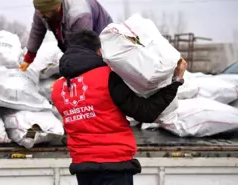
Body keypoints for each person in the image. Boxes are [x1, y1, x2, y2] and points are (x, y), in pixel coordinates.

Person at [51, 30, 187, 185]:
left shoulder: (58, 88)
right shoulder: (107, 77)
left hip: (83, 168)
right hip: (115, 166)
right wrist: (175, 81)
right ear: (99, 51)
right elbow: (145, 112)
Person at [19, 0, 113, 71]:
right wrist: (29, 57)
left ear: (56, 8)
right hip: (79, 44)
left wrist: (68, 74)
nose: (40, 15)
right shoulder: (43, 9)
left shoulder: (79, 15)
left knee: (97, 72)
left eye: (44, 13)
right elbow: (37, 30)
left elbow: (83, 50)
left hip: (101, 41)